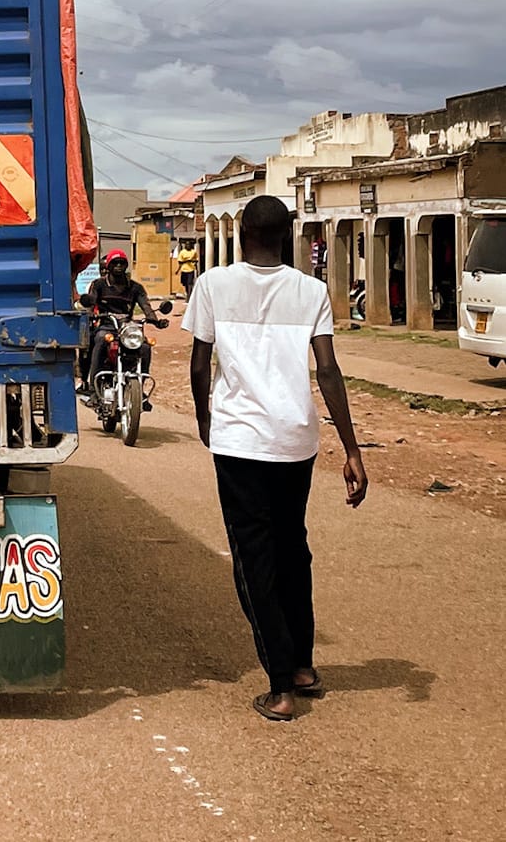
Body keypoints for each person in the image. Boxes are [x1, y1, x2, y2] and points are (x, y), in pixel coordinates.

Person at [185, 195, 367, 722]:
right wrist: (352, 450)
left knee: (254, 557)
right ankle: (304, 665)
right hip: (296, 441)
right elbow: (328, 372)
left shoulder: (213, 285)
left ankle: (281, 685)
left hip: (241, 441)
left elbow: (201, 364)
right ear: (287, 237)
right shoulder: (312, 291)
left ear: (241, 233)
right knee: (293, 547)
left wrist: (205, 418)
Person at [78, 250, 168, 404]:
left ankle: (140, 389)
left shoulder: (135, 287)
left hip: (127, 327)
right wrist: (89, 307)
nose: (119, 266)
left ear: (126, 266)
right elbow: (92, 300)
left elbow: (146, 306)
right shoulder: (99, 284)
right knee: (99, 341)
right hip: (106, 324)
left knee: (145, 347)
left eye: (122, 263)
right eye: (115, 263)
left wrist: (155, 320)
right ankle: (93, 390)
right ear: (108, 266)